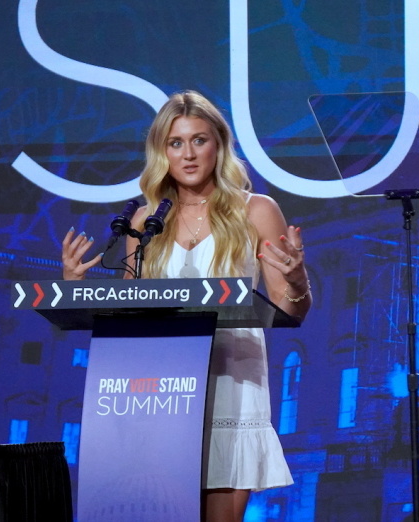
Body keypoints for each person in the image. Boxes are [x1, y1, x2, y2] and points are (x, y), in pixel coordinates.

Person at [61, 90, 312, 521]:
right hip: (161, 392)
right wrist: (76, 291)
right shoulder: (143, 221)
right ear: (162, 151)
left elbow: (291, 312)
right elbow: (131, 309)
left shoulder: (256, 211)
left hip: (232, 384)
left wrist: (296, 280)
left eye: (199, 140)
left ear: (219, 144)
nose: (189, 154)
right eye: (176, 143)